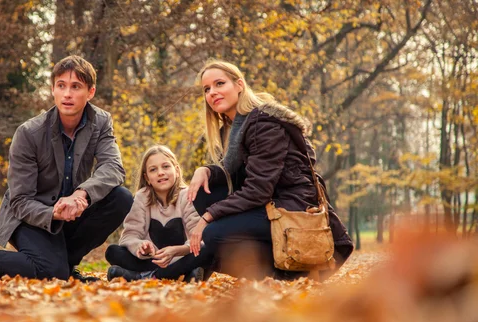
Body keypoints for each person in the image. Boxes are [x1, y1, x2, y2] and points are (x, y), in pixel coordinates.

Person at [0, 55, 133, 282]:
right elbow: (20, 201)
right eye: (61, 86)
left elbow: (113, 167)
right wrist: (53, 213)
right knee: (51, 272)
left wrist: (82, 194)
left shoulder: (101, 122)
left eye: (76, 87)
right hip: (29, 216)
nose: (67, 94)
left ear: (90, 92)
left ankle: (65, 265)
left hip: (70, 210)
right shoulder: (29, 133)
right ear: (53, 90)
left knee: (121, 198)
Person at [187, 59, 354, 280]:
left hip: (293, 205)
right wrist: (206, 170)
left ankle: (291, 273)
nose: (212, 92)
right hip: (268, 205)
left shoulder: (263, 123)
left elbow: (257, 190)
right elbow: (233, 176)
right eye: (207, 89)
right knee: (203, 193)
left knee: (214, 234)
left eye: (219, 84)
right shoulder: (231, 130)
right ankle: (264, 269)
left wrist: (208, 216)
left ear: (239, 85)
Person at [106, 145, 211, 282]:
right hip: (152, 260)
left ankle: (143, 276)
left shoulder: (188, 196)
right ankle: (176, 276)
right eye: (153, 170)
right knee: (112, 252)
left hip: (181, 257)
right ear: (147, 178)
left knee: (207, 249)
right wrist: (141, 247)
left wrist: (178, 250)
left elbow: (198, 238)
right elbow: (129, 236)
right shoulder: (142, 197)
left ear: (177, 170)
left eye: (166, 167)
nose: (160, 172)